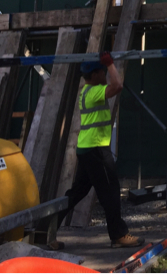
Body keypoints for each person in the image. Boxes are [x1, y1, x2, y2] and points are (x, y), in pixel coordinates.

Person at [64, 52, 144, 249]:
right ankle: (119, 235)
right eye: (102, 72)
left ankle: (44, 229)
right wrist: (110, 64)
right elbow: (117, 86)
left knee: (77, 192)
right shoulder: (93, 92)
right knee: (110, 191)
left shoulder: (86, 91)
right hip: (96, 149)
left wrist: (107, 65)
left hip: (87, 148)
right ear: (94, 75)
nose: (105, 75)